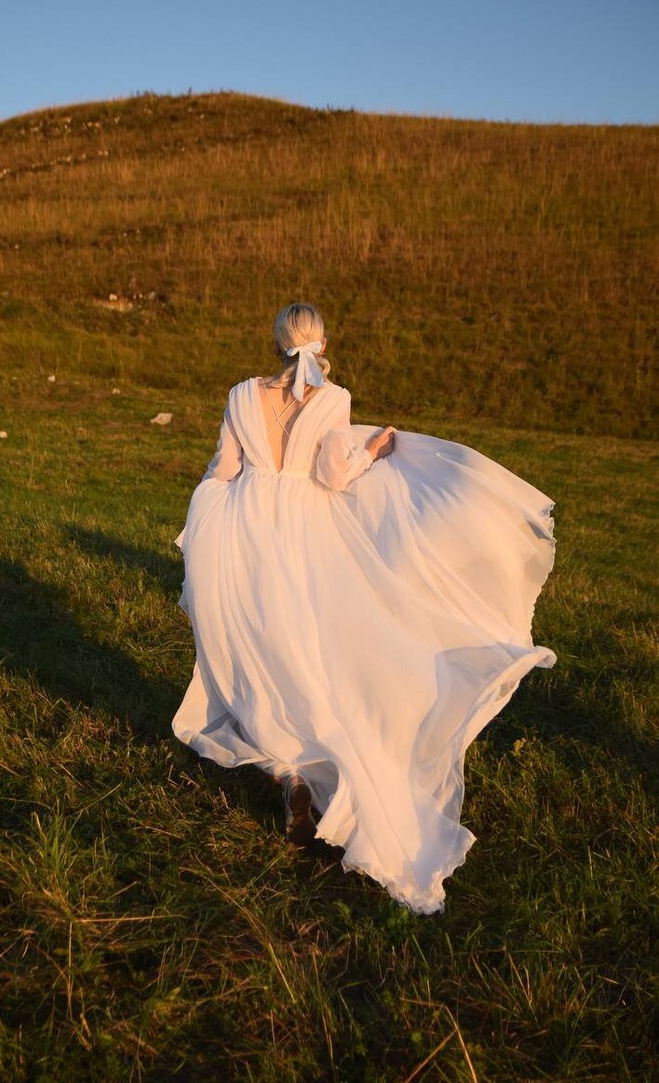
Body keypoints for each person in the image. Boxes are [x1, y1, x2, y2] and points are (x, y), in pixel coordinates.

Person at [172, 303, 556, 914]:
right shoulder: (334, 399)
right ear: (321, 344)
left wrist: (206, 517)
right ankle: (325, 766)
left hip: (245, 527)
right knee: (311, 649)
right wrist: (373, 451)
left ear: (275, 343)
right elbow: (332, 475)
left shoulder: (241, 393)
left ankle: (288, 769)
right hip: (301, 533)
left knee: (261, 649)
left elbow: (223, 468)